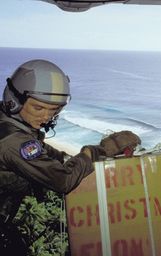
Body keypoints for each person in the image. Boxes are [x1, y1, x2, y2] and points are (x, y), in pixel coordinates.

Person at [0, 59, 106, 254]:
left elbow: (47, 154)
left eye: (55, 109)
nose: (47, 117)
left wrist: (78, 157)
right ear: (14, 101)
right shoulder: (13, 141)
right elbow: (63, 180)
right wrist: (88, 154)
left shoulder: (9, 123)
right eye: (39, 108)